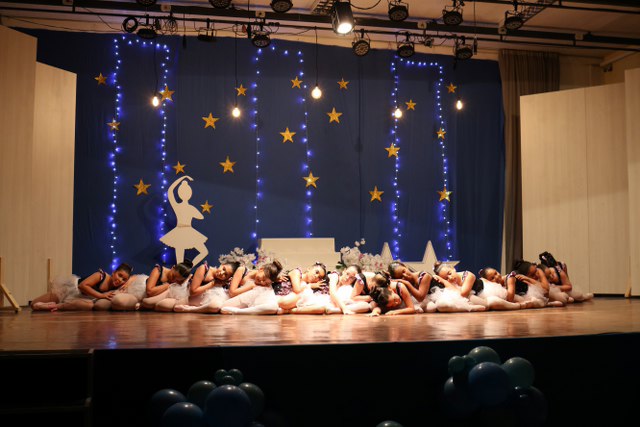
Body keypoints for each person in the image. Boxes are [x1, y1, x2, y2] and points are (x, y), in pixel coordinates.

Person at [31, 263, 133, 311]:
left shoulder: (117, 286)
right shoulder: (101, 276)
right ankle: (49, 303)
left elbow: (135, 277)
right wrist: (101, 295)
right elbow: (82, 286)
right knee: (33, 305)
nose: (120, 280)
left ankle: (54, 306)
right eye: (119, 275)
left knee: (89, 306)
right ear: (114, 272)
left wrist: (127, 283)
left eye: (124, 279)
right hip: (70, 290)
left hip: (79, 299)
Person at [160, 176, 208, 267]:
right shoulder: (190, 208)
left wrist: (182, 178)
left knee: (181, 259)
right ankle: (186, 269)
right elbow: (200, 217)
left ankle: (186, 269)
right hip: (184, 231)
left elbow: (170, 191)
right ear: (190, 194)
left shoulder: (178, 206)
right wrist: (184, 178)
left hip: (182, 231)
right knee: (201, 252)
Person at [173, 261, 243, 313]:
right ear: (222, 264)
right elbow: (193, 291)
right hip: (186, 296)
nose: (221, 273)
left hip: (199, 302)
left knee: (216, 306)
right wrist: (212, 284)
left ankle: (192, 309)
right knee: (168, 306)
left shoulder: (223, 282)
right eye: (223, 269)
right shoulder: (204, 269)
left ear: (228, 278)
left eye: (226, 274)